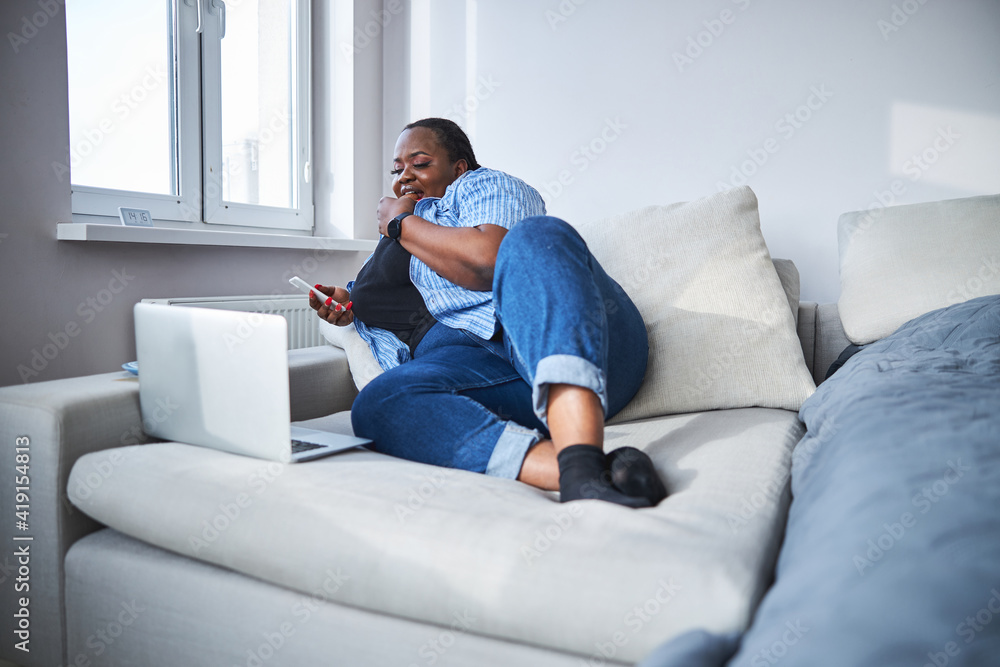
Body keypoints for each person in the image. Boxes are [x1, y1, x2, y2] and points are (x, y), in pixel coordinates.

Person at [308, 118, 666, 508]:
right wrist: (349, 303)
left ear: (458, 167)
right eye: (397, 169)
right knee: (378, 404)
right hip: (488, 375)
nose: (403, 177)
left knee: (535, 236)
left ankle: (580, 452)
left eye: (420, 163)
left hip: (576, 345)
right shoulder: (402, 242)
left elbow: (489, 260)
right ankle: (579, 472)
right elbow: (383, 300)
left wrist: (400, 222)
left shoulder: (478, 189)